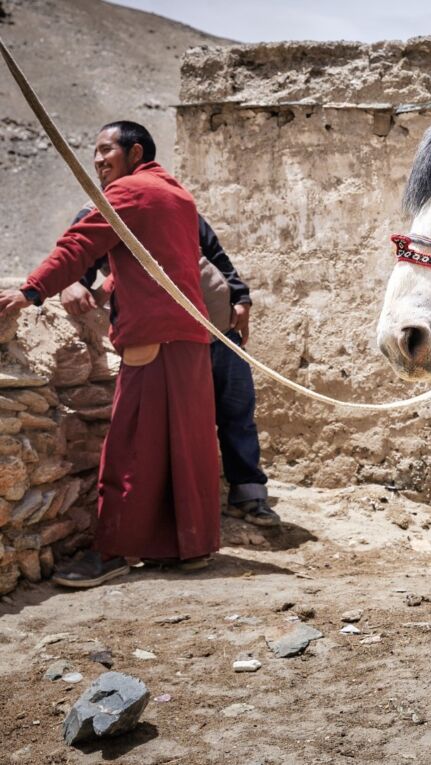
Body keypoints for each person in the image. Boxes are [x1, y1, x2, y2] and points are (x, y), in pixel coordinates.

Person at [0, 120, 222, 587]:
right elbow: (160, 263)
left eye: (106, 151)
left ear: (135, 152)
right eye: (95, 152)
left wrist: (29, 291)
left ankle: (113, 551)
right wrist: (107, 290)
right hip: (187, 339)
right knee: (185, 448)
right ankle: (189, 548)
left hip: (154, 339)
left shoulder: (129, 193)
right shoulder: (175, 195)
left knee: (130, 447)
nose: (98, 160)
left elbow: (78, 245)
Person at [61, 215, 280, 528]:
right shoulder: (101, 213)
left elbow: (216, 256)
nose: (100, 165)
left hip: (220, 328)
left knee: (237, 410)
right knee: (179, 425)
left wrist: (241, 297)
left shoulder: (174, 205)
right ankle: (179, 516)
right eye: (97, 162)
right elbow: (78, 257)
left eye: (106, 161)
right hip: (172, 338)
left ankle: (248, 496)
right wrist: (73, 283)